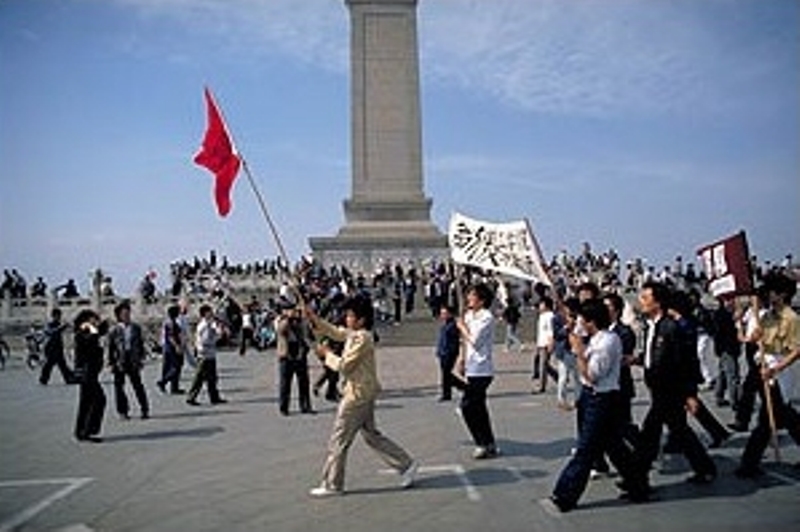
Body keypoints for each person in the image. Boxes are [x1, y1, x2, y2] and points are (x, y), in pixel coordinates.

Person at [304, 294, 418, 497]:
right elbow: (336, 332)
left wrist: (327, 354)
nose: (347, 319)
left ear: (361, 319)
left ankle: (333, 484)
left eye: (350, 316)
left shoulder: (362, 338)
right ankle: (406, 464)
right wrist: (314, 319)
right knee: (371, 436)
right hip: (363, 392)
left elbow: (345, 366)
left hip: (356, 395)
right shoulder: (355, 334)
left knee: (339, 439)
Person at [547, 298, 644, 512]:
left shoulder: (608, 341)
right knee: (614, 446)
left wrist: (579, 352)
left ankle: (565, 494)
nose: (579, 324)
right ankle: (638, 484)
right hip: (592, 397)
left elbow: (592, 376)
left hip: (601, 398)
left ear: (591, 321)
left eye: (581, 320)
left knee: (586, 448)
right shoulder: (595, 338)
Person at [632, 282, 717, 489]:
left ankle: (636, 478)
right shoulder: (651, 326)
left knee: (650, 432)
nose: (641, 301)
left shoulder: (671, 327)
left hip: (669, 388)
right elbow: (653, 356)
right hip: (657, 387)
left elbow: (684, 362)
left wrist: (689, 393)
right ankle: (705, 468)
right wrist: (636, 360)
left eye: (646, 298)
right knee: (680, 430)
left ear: (658, 302)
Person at [735, 272, 800, 478]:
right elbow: (754, 339)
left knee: (768, 418)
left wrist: (776, 368)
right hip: (763, 367)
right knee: (785, 416)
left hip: (780, 371)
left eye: (771, 291)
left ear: (782, 294)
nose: (768, 295)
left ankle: (749, 463)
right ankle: (749, 463)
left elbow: (796, 350)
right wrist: (749, 330)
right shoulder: (766, 316)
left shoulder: (791, 318)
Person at [455, 283, 499, 459]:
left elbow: (475, 340)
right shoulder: (468, 315)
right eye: (469, 295)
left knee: (467, 407)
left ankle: (481, 442)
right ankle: (489, 443)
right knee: (479, 408)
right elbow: (465, 342)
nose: (469, 298)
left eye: (472, 295)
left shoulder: (486, 317)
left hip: (482, 369)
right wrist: (462, 358)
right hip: (471, 367)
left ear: (482, 300)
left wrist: (461, 327)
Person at [107, 301, 150, 420]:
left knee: (138, 386)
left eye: (128, 313)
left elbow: (140, 344)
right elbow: (110, 347)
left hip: (133, 359)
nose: (126, 316)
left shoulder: (135, 328)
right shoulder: (114, 330)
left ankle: (144, 409)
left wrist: (141, 358)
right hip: (119, 360)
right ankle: (123, 411)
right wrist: (111, 362)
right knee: (119, 387)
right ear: (119, 315)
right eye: (124, 314)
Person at [73, 309, 107, 443]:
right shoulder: (83, 331)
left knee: (86, 402)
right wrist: (97, 329)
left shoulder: (87, 331)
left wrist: (102, 327)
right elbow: (89, 341)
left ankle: (81, 431)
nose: (95, 321)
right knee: (99, 400)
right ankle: (88, 430)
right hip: (87, 373)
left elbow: (97, 335)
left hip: (90, 372)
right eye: (94, 319)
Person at [275, 304, 314, 415]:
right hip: (286, 354)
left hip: (300, 351)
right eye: (291, 310)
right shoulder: (280, 320)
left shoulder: (301, 321)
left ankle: (305, 406)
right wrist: (288, 318)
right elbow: (281, 330)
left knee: (304, 381)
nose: (294, 312)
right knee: (285, 383)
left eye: (295, 310)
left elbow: (308, 333)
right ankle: (284, 407)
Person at [186, 304, 227, 406]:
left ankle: (214, 397)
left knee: (212, 378)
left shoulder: (208, 324)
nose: (212, 313)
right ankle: (191, 397)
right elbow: (206, 341)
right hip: (205, 354)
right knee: (199, 378)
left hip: (209, 354)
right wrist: (217, 337)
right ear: (205, 313)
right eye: (210, 311)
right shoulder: (205, 326)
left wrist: (218, 331)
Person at [39, 307, 76, 385]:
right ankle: (43, 379)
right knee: (49, 364)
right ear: (53, 316)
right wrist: (61, 327)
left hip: (58, 347)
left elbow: (69, 329)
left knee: (62, 365)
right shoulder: (50, 325)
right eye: (57, 316)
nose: (58, 317)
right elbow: (50, 332)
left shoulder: (59, 324)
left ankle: (68, 378)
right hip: (51, 348)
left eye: (59, 316)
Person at [157, 304, 185, 394]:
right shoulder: (171, 323)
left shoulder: (170, 321)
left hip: (168, 347)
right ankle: (163, 382)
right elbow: (171, 337)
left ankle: (174, 387)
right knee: (176, 367)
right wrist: (177, 346)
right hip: (172, 348)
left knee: (169, 367)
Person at [435, 304, 461, 402]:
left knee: (446, 374)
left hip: (449, 352)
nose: (442, 315)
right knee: (446, 374)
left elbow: (455, 341)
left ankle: (449, 392)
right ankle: (451, 391)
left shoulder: (453, 325)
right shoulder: (445, 324)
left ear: (450, 314)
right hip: (443, 352)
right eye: (442, 313)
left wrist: (453, 352)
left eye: (445, 313)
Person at [533, 296, 556, 394]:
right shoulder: (542, 315)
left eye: (541, 304)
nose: (540, 306)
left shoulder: (550, 315)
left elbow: (551, 330)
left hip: (546, 343)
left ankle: (541, 386)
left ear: (546, 305)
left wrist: (551, 343)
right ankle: (557, 376)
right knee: (544, 364)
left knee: (543, 364)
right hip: (541, 343)